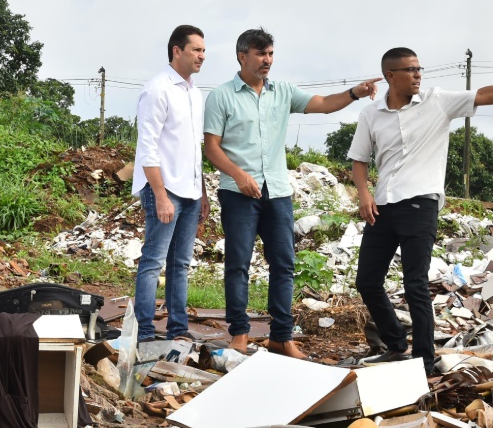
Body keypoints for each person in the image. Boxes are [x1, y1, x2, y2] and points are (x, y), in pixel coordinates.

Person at [350, 47, 493, 374]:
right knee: (366, 281)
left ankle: (423, 360)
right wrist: (364, 194)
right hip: (382, 206)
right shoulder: (371, 115)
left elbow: (484, 95)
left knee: (415, 284)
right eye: (410, 70)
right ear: (391, 76)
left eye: (419, 68)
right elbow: (359, 160)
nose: (418, 74)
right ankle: (394, 345)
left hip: (421, 204)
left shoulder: (437, 100)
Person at [204, 27, 381, 359]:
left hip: (278, 193)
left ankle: (281, 337)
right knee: (238, 265)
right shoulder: (221, 96)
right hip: (238, 194)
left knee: (284, 265)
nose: (267, 60)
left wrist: (354, 93)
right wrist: (238, 174)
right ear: (242, 56)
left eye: (270, 53)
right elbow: (211, 147)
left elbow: (326, 105)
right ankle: (239, 334)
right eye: (260, 54)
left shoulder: (282, 92)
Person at [132, 25, 211, 343]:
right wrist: (161, 196)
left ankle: (178, 329)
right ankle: (145, 331)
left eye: (204, 50)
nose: (202, 56)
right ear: (177, 51)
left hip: (190, 192)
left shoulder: (195, 92)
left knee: (180, 264)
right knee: (153, 261)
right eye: (196, 50)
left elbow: (194, 148)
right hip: (163, 190)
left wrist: (203, 192)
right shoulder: (158, 89)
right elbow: (147, 148)